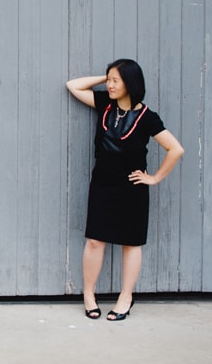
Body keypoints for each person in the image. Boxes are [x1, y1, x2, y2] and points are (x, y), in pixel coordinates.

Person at [66, 59, 183, 321]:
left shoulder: (147, 117)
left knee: (131, 244)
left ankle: (125, 298)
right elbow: (73, 86)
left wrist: (154, 178)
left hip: (132, 188)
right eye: (109, 80)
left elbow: (175, 149)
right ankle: (89, 295)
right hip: (102, 184)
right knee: (95, 240)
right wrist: (105, 77)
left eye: (115, 81)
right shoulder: (105, 104)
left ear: (130, 83)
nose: (110, 85)